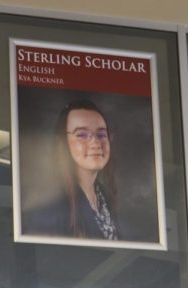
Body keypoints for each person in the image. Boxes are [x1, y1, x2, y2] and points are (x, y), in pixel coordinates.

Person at [26, 99, 121, 239]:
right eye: (82, 135)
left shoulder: (104, 196)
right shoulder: (51, 204)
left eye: (101, 134)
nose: (95, 142)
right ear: (62, 143)